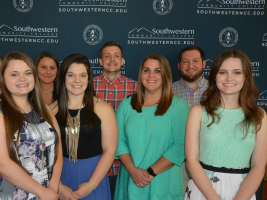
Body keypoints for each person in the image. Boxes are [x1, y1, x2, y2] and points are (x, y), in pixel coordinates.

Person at [0, 51, 63, 200]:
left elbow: (58, 152)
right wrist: (42, 192)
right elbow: (1, 164)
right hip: (9, 195)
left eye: (27, 73)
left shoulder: (44, 109)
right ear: (4, 78)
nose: (22, 79)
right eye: (14, 74)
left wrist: (52, 189)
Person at [185, 50, 267, 200]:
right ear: (215, 75)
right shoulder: (198, 111)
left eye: (237, 72)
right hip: (203, 190)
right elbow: (191, 161)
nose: (229, 78)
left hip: (243, 191)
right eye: (222, 72)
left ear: (246, 77)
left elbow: (259, 166)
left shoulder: (259, 115)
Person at [114, 54, 189, 200]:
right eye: (146, 70)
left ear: (165, 75)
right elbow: (117, 140)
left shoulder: (179, 107)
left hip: (163, 183)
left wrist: (150, 173)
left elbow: (180, 146)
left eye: (157, 71)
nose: (151, 75)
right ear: (141, 74)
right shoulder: (126, 104)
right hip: (130, 180)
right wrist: (133, 170)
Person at [50, 54, 118, 200]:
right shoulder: (50, 111)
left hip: (94, 176)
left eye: (82, 75)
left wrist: (91, 185)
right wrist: (58, 187)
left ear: (88, 79)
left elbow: (110, 150)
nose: (77, 80)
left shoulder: (103, 109)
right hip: (60, 177)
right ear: (63, 78)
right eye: (71, 75)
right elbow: (45, 154)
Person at [93, 41, 137, 198]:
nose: (112, 59)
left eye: (116, 56)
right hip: (95, 165)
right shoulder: (87, 86)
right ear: (100, 61)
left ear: (123, 61)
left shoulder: (136, 88)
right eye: (107, 56)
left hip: (126, 167)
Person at [172, 46, 208, 191]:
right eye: (185, 62)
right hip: (177, 163)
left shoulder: (217, 91)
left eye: (195, 61)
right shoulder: (167, 91)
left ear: (204, 64)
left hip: (209, 162)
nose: (190, 66)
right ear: (179, 66)